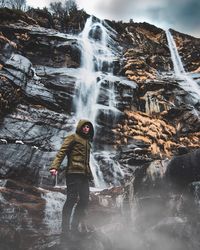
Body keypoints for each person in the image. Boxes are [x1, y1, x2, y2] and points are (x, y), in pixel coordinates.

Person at [49, 119, 94, 237]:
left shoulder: (87, 142)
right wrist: (55, 167)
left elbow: (87, 162)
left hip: (84, 175)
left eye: (88, 127)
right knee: (71, 199)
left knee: (84, 200)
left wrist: (90, 175)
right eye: (84, 126)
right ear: (80, 127)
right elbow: (61, 152)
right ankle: (65, 230)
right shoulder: (72, 137)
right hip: (73, 173)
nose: (86, 128)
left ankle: (74, 227)